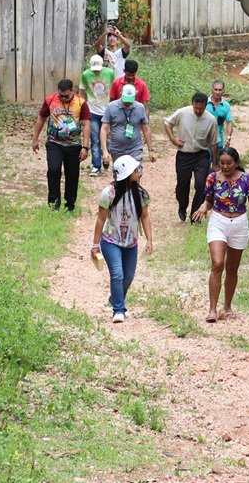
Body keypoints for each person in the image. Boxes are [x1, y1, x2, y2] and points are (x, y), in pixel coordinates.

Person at [192, 147, 249, 323]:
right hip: (218, 221)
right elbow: (209, 201)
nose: (225, 167)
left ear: (236, 163)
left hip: (239, 223)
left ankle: (227, 307)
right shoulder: (213, 178)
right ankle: (212, 309)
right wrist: (202, 208)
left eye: (229, 163)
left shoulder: (246, 179)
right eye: (222, 163)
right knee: (217, 264)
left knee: (232, 268)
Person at [91, 155, 153, 323]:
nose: (138, 171)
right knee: (117, 274)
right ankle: (118, 309)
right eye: (134, 170)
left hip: (131, 242)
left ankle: (115, 298)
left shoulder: (141, 194)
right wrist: (95, 244)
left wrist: (149, 240)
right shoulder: (108, 193)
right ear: (127, 174)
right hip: (110, 240)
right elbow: (100, 219)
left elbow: (145, 217)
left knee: (128, 277)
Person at [31, 79, 91, 211]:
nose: (63, 98)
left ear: (72, 92)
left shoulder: (81, 103)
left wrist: (85, 147)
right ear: (58, 92)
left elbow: (86, 124)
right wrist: (35, 139)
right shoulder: (50, 101)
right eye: (61, 96)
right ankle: (54, 203)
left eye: (67, 96)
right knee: (53, 170)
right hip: (54, 143)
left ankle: (70, 204)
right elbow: (41, 118)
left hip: (74, 145)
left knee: (72, 174)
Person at [164, 92, 219, 223]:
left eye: (201, 108)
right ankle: (182, 207)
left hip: (202, 155)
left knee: (201, 185)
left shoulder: (211, 120)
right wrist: (173, 139)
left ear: (206, 105)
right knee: (182, 185)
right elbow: (167, 123)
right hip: (184, 154)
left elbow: (214, 142)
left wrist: (215, 163)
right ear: (192, 104)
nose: (198, 110)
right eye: (196, 108)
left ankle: (195, 215)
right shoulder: (182, 113)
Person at [101, 83, 156, 165]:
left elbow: (146, 129)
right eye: (125, 99)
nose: (127, 103)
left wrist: (150, 150)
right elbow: (104, 129)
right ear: (121, 94)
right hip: (117, 150)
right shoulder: (111, 107)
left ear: (135, 96)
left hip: (135, 149)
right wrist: (105, 151)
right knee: (120, 176)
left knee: (135, 175)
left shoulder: (140, 108)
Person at [79, 54, 116, 176]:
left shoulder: (110, 73)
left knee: (109, 138)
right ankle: (96, 165)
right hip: (92, 111)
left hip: (107, 110)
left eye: (98, 69)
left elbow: (114, 90)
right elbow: (82, 92)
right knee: (94, 139)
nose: (96, 71)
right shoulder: (85, 75)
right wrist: (82, 108)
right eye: (94, 70)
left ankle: (109, 159)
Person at [206, 79, 233, 148]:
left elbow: (229, 122)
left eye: (220, 90)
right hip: (203, 142)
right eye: (216, 89)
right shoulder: (204, 103)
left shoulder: (226, 106)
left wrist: (228, 137)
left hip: (219, 142)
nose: (218, 92)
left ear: (223, 91)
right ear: (211, 90)